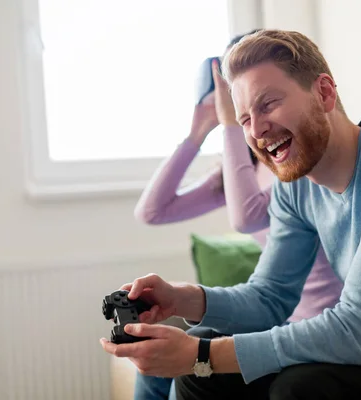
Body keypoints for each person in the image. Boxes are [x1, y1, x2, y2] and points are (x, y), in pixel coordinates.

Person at [101, 29, 361, 399]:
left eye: (268, 104)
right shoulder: (295, 186)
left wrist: (200, 356)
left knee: (296, 387)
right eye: (245, 119)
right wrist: (182, 299)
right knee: (202, 373)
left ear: (325, 93)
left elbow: (358, 330)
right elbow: (270, 298)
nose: (258, 129)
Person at [132, 30, 343, 400]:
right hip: (279, 315)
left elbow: (246, 216)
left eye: (262, 101)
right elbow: (152, 211)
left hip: (315, 321)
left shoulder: (297, 165)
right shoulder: (244, 166)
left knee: (196, 350)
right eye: (238, 103)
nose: (253, 121)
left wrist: (232, 125)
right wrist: (197, 134)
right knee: (154, 363)